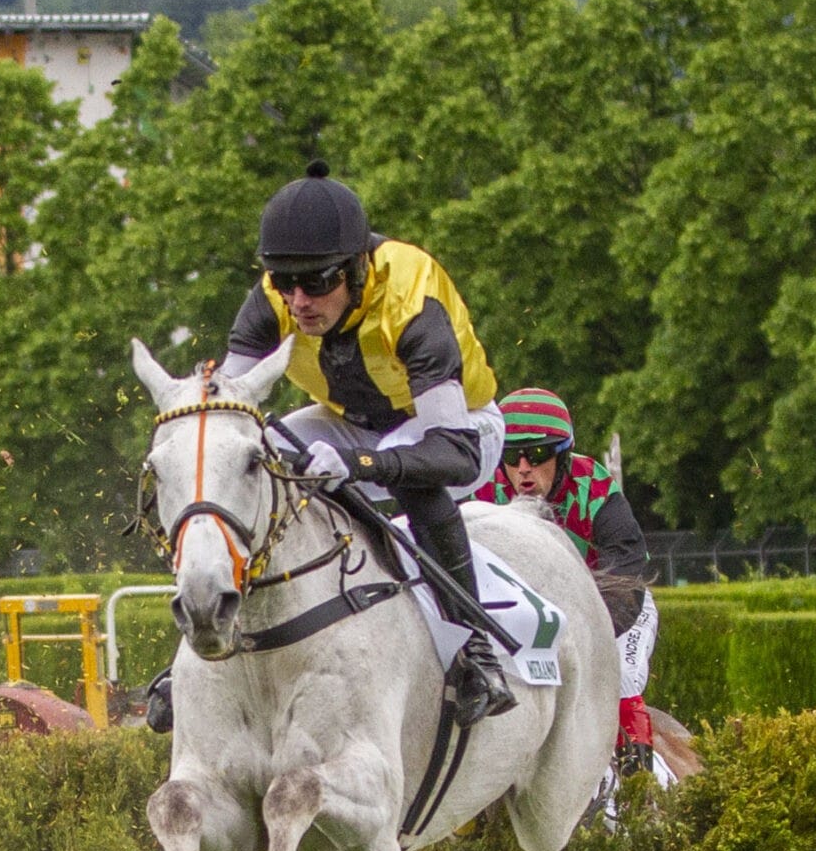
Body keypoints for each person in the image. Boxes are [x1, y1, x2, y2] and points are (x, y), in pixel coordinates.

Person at [146, 162, 515, 730]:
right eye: (284, 282)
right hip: (349, 419)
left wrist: (361, 463)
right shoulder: (274, 296)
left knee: (414, 479)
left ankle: (476, 649)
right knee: (249, 456)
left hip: (457, 425)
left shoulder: (411, 298)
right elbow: (232, 415)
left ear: (358, 268)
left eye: (317, 283)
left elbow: (454, 454)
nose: (298, 300)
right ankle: (199, 646)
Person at [476, 388, 658, 773]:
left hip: (611, 605)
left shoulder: (595, 487)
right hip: (525, 614)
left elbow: (628, 571)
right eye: (511, 456)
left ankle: (638, 787)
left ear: (561, 454)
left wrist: (580, 631)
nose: (523, 468)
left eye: (537, 454)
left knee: (621, 677)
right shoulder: (482, 492)